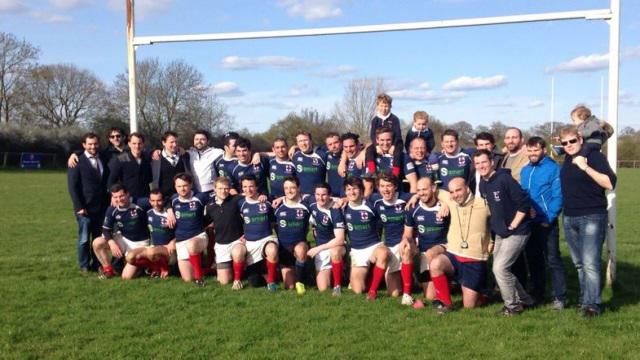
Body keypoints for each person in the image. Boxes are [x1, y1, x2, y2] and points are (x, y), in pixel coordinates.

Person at [559, 126, 616, 317]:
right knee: (579, 263)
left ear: (580, 139)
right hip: (569, 217)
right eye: (564, 143)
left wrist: (585, 167)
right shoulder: (567, 159)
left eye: (572, 141)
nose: (568, 145)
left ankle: (593, 304)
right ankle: (585, 300)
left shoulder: (594, 157)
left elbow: (610, 183)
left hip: (592, 215)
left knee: (590, 263)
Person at [474, 149, 534, 316]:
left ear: (492, 162)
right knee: (500, 269)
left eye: (484, 162)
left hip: (517, 231)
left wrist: (513, 225)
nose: (481, 166)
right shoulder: (483, 183)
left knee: (500, 269)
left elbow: (524, 204)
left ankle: (512, 307)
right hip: (500, 232)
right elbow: (492, 208)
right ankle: (525, 300)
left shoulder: (504, 179)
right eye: (477, 163)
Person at [428, 177, 492, 313]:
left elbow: (501, 214)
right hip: (453, 255)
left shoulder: (484, 204)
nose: (455, 194)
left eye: (458, 190)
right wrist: (415, 196)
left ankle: (483, 292)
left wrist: (493, 241)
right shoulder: (451, 200)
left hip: (474, 259)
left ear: (467, 188)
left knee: (469, 306)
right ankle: (446, 304)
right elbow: (429, 189)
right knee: (435, 264)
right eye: (451, 192)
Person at [520, 136, 566, 309]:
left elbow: (558, 196)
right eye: (530, 150)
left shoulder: (553, 169)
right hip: (529, 222)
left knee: (553, 260)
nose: (532, 153)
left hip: (546, 222)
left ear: (544, 150)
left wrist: (549, 217)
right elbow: (524, 195)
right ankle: (538, 294)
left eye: (536, 150)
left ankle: (559, 297)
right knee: (533, 260)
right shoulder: (525, 170)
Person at [371, 173, 416, 305]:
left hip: (407, 242)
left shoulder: (404, 197)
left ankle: (407, 295)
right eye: (382, 186)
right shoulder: (374, 200)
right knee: (394, 293)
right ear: (378, 188)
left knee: (406, 249)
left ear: (395, 186)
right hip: (390, 245)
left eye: (389, 186)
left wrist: (417, 196)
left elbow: (428, 193)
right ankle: (372, 292)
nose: (386, 189)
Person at [67, 132, 109, 273]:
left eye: (95, 143)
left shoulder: (103, 157)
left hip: (102, 207)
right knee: (84, 238)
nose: (93, 146)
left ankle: (98, 264)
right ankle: (84, 265)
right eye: (89, 144)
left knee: (97, 239)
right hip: (84, 208)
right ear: (84, 145)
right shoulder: (77, 161)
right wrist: (79, 206)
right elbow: (72, 187)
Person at [343, 176, 390, 300]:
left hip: (373, 246)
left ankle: (373, 292)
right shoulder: (342, 208)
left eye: (355, 189)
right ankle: (372, 273)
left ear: (361, 191)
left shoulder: (372, 205)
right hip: (357, 250)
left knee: (383, 253)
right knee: (358, 290)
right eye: (348, 189)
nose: (352, 192)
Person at [403, 177, 448, 304]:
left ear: (433, 188)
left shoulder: (445, 207)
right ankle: (406, 294)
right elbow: (408, 234)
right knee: (429, 296)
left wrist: (445, 203)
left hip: (443, 247)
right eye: (419, 190)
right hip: (422, 251)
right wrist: (407, 242)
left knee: (430, 253)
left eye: (425, 189)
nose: (421, 193)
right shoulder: (413, 208)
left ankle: (448, 282)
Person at [92, 184, 150, 279]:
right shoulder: (112, 208)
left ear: (128, 194)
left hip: (140, 243)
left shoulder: (140, 202)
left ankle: (143, 266)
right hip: (123, 238)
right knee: (97, 243)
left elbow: (161, 199)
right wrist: (112, 243)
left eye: (121, 196)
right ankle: (108, 270)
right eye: (115, 197)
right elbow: (106, 230)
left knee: (126, 277)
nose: (119, 199)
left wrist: (169, 210)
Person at [236, 175, 280, 292]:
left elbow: (275, 219)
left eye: (251, 186)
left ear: (257, 187)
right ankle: (267, 271)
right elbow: (239, 221)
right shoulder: (240, 203)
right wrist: (243, 234)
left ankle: (271, 282)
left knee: (271, 250)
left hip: (266, 238)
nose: (248, 189)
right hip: (250, 243)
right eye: (245, 187)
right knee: (255, 283)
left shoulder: (267, 201)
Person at [169, 173, 210, 287]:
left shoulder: (200, 197)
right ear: (175, 187)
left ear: (191, 185)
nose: (182, 189)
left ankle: (199, 279)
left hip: (198, 236)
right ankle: (210, 270)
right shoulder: (173, 200)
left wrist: (209, 223)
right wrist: (169, 211)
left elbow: (215, 204)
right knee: (187, 278)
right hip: (181, 240)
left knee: (191, 245)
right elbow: (166, 201)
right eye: (179, 186)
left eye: (185, 185)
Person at [204, 177, 246, 288]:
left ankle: (237, 280)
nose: (223, 191)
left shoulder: (237, 200)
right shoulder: (210, 206)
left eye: (226, 188)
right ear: (214, 189)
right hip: (221, 244)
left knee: (238, 253)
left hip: (238, 240)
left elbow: (251, 205)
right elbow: (204, 223)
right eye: (220, 188)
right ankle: (228, 268)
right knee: (224, 281)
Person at [273, 176, 312, 294]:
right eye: (286, 188)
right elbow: (272, 224)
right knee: (289, 286)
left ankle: (301, 283)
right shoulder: (277, 205)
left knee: (300, 250)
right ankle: (300, 271)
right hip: (284, 248)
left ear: (299, 188)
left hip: (300, 244)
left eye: (292, 188)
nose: (289, 191)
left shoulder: (307, 203)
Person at [307, 183, 346, 296]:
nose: (320, 198)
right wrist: (281, 198)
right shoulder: (313, 204)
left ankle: (337, 286)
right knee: (323, 288)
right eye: (318, 194)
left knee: (334, 252)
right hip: (322, 250)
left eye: (324, 195)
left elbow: (339, 239)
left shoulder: (335, 210)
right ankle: (340, 272)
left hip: (336, 247)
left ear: (330, 195)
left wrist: (317, 249)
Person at [107, 132, 152, 208]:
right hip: (127, 199)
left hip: (145, 198)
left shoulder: (147, 158)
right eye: (134, 143)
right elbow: (111, 181)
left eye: (139, 143)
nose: (137, 146)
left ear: (143, 144)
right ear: (129, 144)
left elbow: (149, 178)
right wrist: (113, 197)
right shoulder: (121, 158)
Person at [140, 189, 176, 279]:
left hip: (169, 250)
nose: (156, 204)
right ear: (149, 201)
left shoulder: (170, 215)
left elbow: (181, 232)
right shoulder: (148, 213)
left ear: (164, 200)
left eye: (159, 200)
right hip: (154, 247)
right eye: (153, 201)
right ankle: (155, 268)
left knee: (151, 252)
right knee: (130, 258)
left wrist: (173, 242)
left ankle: (164, 268)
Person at [364, 126, 403, 197]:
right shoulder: (370, 152)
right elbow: (368, 185)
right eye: (382, 140)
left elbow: (413, 181)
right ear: (377, 140)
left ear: (393, 140)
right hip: (376, 196)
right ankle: (372, 170)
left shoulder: (401, 155)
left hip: (395, 195)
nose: (385, 143)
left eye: (388, 140)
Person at [185, 130, 224, 195]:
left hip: (211, 191)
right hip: (194, 192)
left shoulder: (217, 152)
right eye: (196, 139)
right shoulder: (189, 153)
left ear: (208, 141)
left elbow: (230, 154)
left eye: (202, 139)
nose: (199, 141)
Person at [151, 131, 187, 199]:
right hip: (163, 198)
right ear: (164, 142)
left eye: (176, 142)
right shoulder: (156, 159)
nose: (175, 145)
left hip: (181, 198)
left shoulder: (184, 156)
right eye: (171, 142)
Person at [291, 131, 327, 195]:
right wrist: (293, 147)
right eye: (300, 141)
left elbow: (340, 149)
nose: (303, 143)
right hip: (300, 196)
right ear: (297, 143)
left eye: (305, 140)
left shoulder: (322, 154)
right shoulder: (295, 155)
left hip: (318, 196)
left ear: (311, 141)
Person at [469, 132, 504, 196]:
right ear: (477, 147)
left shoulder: (500, 159)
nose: (484, 147)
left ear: (492, 145)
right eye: (481, 145)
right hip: (476, 196)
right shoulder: (473, 158)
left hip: (493, 195)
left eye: (487, 144)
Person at [324, 132, 344, 197]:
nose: (333, 146)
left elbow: (366, 146)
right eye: (330, 144)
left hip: (346, 195)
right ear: (327, 146)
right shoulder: (326, 155)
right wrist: (294, 147)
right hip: (331, 195)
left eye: (336, 142)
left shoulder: (349, 153)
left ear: (341, 142)